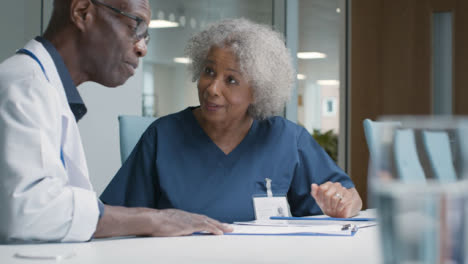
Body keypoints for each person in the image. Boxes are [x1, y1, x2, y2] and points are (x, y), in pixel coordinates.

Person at [0, 0, 231, 243]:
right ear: (82, 12)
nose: (142, 48)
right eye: (135, 26)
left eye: (146, 36)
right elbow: (30, 213)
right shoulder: (24, 87)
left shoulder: (45, 90)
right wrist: (154, 219)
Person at [100, 18, 363, 223]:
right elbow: (112, 216)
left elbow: (351, 199)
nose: (212, 88)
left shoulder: (288, 140)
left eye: (231, 80)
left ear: (257, 91)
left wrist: (342, 202)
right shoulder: (162, 136)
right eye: (209, 71)